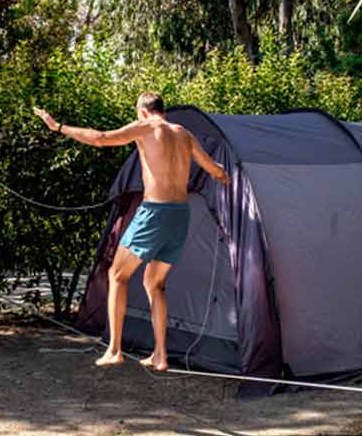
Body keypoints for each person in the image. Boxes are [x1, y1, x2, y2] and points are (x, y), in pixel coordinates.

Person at [33, 92, 230, 371]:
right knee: (154, 283)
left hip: (155, 213)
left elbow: (101, 138)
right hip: (179, 216)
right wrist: (226, 175)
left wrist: (59, 127)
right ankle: (160, 355)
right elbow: (214, 170)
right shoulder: (183, 134)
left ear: (143, 112)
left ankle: (114, 350)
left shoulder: (147, 127)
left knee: (117, 274)